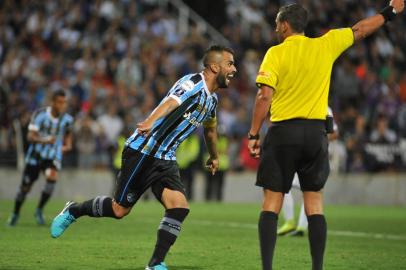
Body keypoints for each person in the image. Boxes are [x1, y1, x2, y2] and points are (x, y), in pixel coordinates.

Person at [247, 2, 404, 270]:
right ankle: (317, 267)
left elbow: (264, 96)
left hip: (283, 132)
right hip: (316, 134)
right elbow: (361, 29)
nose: (275, 29)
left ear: (285, 25)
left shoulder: (275, 53)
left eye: (276, 24)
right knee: (315, 202)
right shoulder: (326, 44)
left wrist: (253, 133)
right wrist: (390, 12)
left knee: (272, 202)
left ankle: (267, 268)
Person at [50, 45, 237, 270]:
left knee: (179, 207)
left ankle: (155, 264)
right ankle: (73, 210)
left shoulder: (212, 100)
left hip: (165, 158)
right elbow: (171, 102)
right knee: (120, 210)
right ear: (215, 66)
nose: (234, 69)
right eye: (230, 64)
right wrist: (150, 120)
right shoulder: (192, 83)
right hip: (143, 151)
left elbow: (210, 129)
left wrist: (214, 155)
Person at [8, 90, 73, 226]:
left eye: (64, 102)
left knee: (52, 177)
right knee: (25, 188)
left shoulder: (67, 119)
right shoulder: (40, 114)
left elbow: (68, 140)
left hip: (52, 157)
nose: (63, 105)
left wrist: (66, 147)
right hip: (35, 156)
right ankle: (15, 213)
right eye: (60, 102)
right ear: (53, 102)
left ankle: (39, 210)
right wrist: (45, 140)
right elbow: (30, 136)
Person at [278, 108, 338, 237]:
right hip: (298, 153)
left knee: (308, 190)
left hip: (314, 155)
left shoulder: (325, 108)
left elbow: (334, 133)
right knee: (285, 185)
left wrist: (317, 137)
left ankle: (299, 226)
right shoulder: (303, 100)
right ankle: (292, 224)